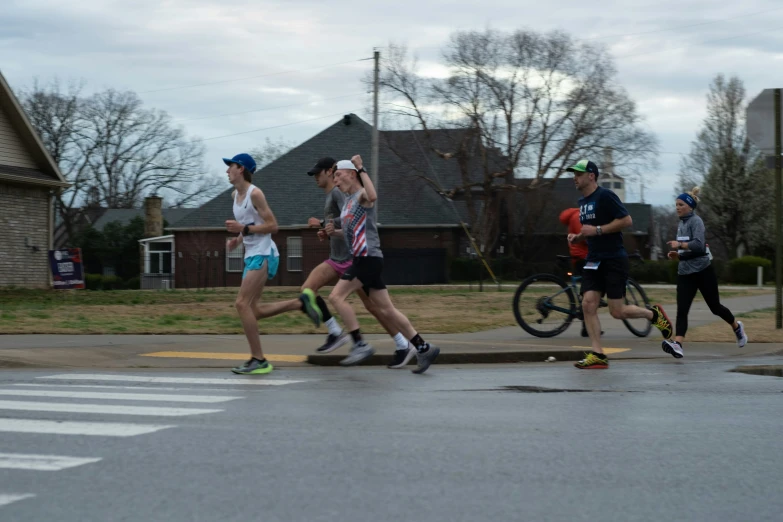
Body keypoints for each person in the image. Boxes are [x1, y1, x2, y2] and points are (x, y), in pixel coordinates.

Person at [327, 155, 440, 374]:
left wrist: (362, 168)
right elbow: (352, 234)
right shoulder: (349, 201)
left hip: (367, 259)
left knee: (335, 297)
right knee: (387, 310)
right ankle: (423, 347)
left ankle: (360, 344)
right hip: (366, 259)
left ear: (351, 174)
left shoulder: (361, 196)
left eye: (339, 175)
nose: (336, 181)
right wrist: (335, 233)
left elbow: (373, 195)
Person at [566, 159, 674, 369]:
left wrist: (596, 231)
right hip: (593, 260)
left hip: (614, 259)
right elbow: (591, 230)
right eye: (573, 174)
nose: (574, 178)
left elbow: (626, 221)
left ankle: (653, 315)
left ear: (591, 176)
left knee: (617, 311)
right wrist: (579, 237)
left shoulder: (605, 196)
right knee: (588, 304)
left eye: (578, 174)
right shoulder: (582, 202)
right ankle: (598, 354)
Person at [661, 187, 748, 358]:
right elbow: (688, 249)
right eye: (676, 205)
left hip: (703, 270)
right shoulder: (681, 224)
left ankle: (737, 328)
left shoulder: (696, 221)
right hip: (685, 272)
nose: (677, 207)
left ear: (690, 206)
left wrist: (680, 245)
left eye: (681, 204)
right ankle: (678, 344)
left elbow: (699, 245)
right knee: (682, 310)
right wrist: (678, 255)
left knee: (715, 307)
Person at [223, 153, 281, 375]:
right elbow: (247, 225)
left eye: (231, 166)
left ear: (242, 169)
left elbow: (273, 226)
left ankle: (259, 359)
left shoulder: (255, 194)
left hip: (264, 253)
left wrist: (243, 231)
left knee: (241, 304)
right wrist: (237, 241)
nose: (227, 170)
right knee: (252, 308)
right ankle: (300, 303)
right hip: (250, 254)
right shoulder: (234, 196)